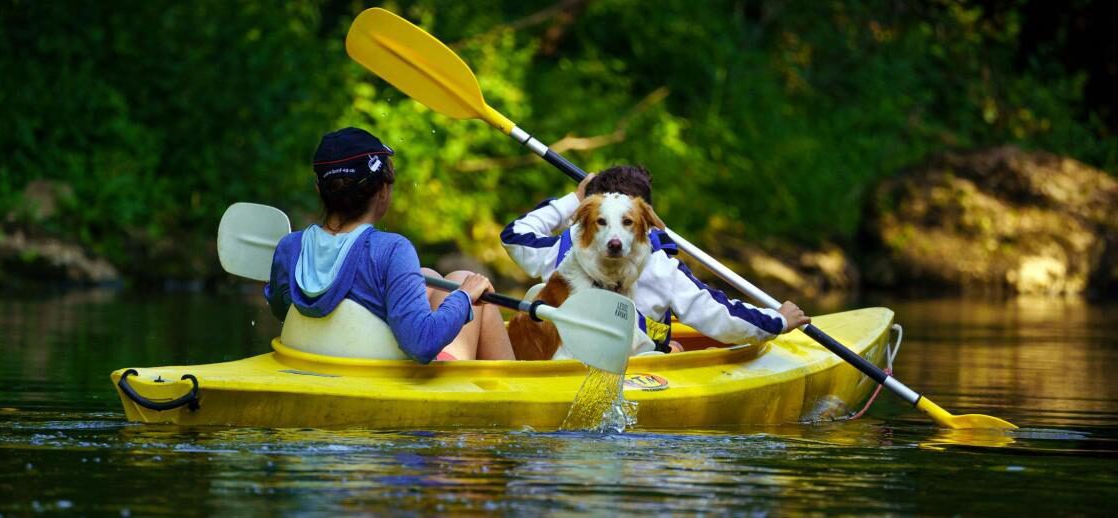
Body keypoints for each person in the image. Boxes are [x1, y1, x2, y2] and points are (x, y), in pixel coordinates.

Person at [265, 127, 514, 362]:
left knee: (426, 276)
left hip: (319, 363)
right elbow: (421, 344)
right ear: (383, 190)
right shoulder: (391, 250)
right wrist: (465, 298)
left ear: (319, 190)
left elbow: (282, 310)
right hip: (384, 374)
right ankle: (514, 395)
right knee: (468, 282)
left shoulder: (289, 248)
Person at [500, 165, 810, 352]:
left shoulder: (562, 247)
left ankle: (659, 349)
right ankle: (659, 350)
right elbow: (719, 315)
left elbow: (514, 236)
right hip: (625, 365)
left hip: (571, 357)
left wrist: (574, 200)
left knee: (534, 298)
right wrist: (778, 320)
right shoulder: (663, 267)